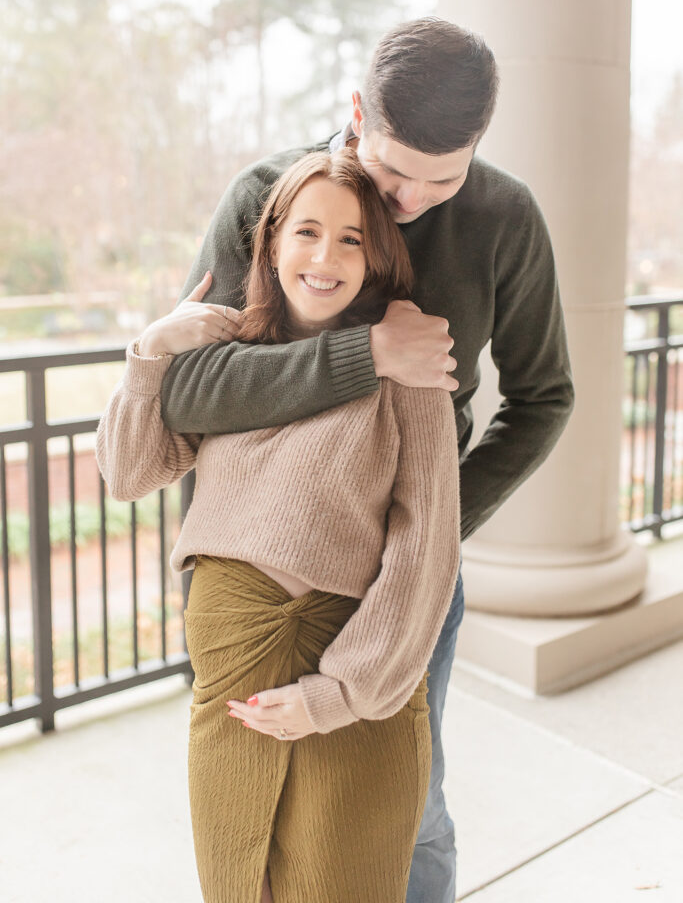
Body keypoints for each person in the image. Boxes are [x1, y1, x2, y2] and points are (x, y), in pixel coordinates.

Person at [157, 16, 575, 903]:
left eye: (442, 179)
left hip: (407, 581)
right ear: (356, 110)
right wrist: (368, 356)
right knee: (254, 803)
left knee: (409, 803)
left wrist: (429, 532)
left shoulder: (503, 216)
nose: (413, 201)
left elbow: (545, 397)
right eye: (392, 172)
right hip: (252, 575)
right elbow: (186, 394)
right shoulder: (266, 196)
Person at [96, 148, 462, 903]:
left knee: (343, 880)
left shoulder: (405, 363)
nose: (324, 256)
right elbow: (129, 472)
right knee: (238, 884)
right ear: (269, 243)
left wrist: (334, 696)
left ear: (375, 257)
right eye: (305, 231)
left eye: (351, 238)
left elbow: (424, 548)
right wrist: (154, 350)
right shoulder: (228, 360)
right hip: (230, 678)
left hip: (347, 677)